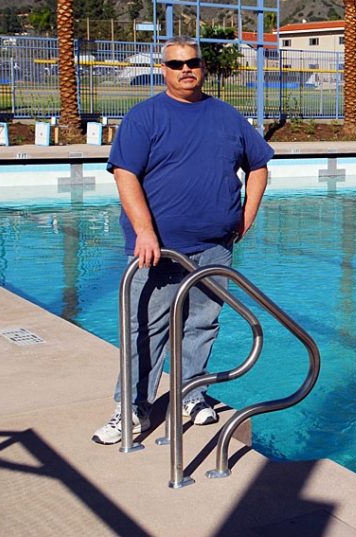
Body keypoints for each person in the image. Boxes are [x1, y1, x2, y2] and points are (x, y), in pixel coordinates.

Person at [92, 36, 275, 445]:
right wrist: (143, 230)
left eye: (192, 62)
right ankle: (132, 409)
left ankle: (193, 393)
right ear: (164, 70)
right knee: (146, 329)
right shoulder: (145, 117)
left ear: (203, 67)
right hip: (158, 249)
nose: (186, 70)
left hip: (214, 247)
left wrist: (248, 213)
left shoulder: (227, 117)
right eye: (176, 65)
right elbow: (125, 174)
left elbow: (259, 165)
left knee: (202, 323)